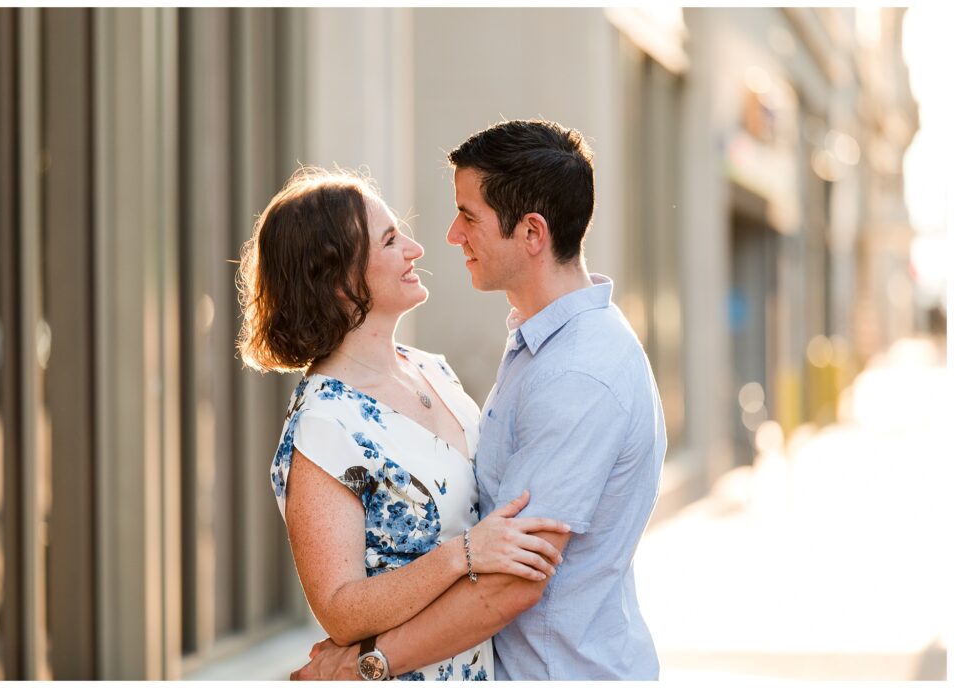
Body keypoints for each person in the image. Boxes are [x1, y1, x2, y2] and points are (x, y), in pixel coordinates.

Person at [291, 120, 666, 680]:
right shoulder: (540, 345)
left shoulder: (578, 375)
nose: (449, 235)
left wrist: (370, 662)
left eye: (469, 216)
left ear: (532, 233)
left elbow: (515, 579)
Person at [236, 167, 571, 681]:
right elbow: (340, 609)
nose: (416, 249)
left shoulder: (433, 369)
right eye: (391, 240)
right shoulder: (324, 425)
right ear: (339, 278)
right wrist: (464, 553)